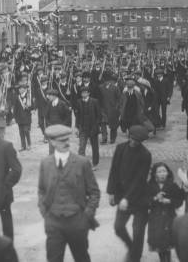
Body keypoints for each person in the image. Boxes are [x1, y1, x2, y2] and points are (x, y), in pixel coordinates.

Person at [37, 124, 100, 262]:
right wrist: (45, 214)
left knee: (82, 258)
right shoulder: (45, 164)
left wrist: (87, 215)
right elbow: (41, 190)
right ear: (52, 142)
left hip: (77, 222)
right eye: (61, 141)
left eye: (67, 140)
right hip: (54, 222)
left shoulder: (82, 163)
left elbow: (94, 192)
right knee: (53, 259)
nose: (66, 143)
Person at [107, 125, 152, 262]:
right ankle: (132, 249)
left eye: (137, 141)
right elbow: (114, 170)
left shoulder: (145, 155)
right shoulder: (120, 148)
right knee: (118, 227)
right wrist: (111, 192)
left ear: (141, 142)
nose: (133, 143)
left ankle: (135, 258)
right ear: (128, 136)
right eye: (131, 139)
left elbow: (140, 180)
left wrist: (127, 198)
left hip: (140, 199)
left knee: (138, 232)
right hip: (122, 197)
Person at [146, 162, 184, 262]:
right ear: (154, 174)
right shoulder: (149, 186)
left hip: (169, 217)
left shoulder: (172, 185)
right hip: (156, 219)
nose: (162, 174)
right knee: (159, 243)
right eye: (159, 172)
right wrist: (155, 198)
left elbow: (179, 201)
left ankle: (168, 260)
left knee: (168, 243)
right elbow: (145, 201)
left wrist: (170, 201)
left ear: (168, 173)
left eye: (164, 171)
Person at [75, 86, 101, 169]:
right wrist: (77, 127)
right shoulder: (78, 102)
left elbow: (99, 116)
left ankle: (95, 164)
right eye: (82, 92)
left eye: (85, 92)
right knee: (82, 147)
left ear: (88, 93)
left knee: (95, 147)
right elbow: (77, 116)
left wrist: (96, 126)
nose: (83, 94)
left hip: (93, 128)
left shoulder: (94, 101)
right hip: (83, 128)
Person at [11, 83, 32, 151]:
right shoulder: (17, 97)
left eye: (22, 88)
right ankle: (23, 146)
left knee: (26, 131)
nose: (20, 90)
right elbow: (15, 108)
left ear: (25, 89)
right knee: (21, 132)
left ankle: (29, 144)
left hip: (26, 117)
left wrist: (28, 107)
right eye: (19, 89)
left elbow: (32, 106)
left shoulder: (28, 96)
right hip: (19, 117)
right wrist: (14, 117)